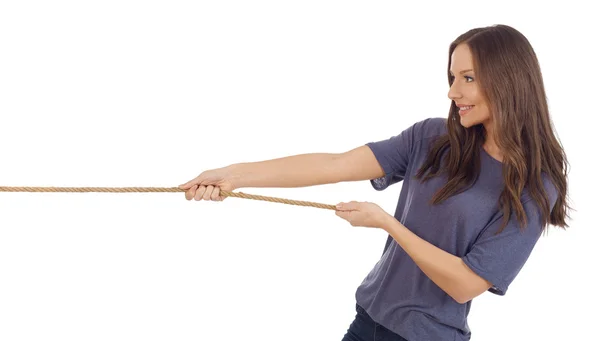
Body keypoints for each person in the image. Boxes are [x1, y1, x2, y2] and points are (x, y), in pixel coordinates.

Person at [178, 24, 571, 341]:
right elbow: (335, 164)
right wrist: (232, 175)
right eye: (453, 77)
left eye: (468, 78)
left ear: (508, 81)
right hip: (367, 320)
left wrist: (387, 223)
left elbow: (466, 284)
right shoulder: (432, 139)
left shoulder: (534, 186)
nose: (453, 93)